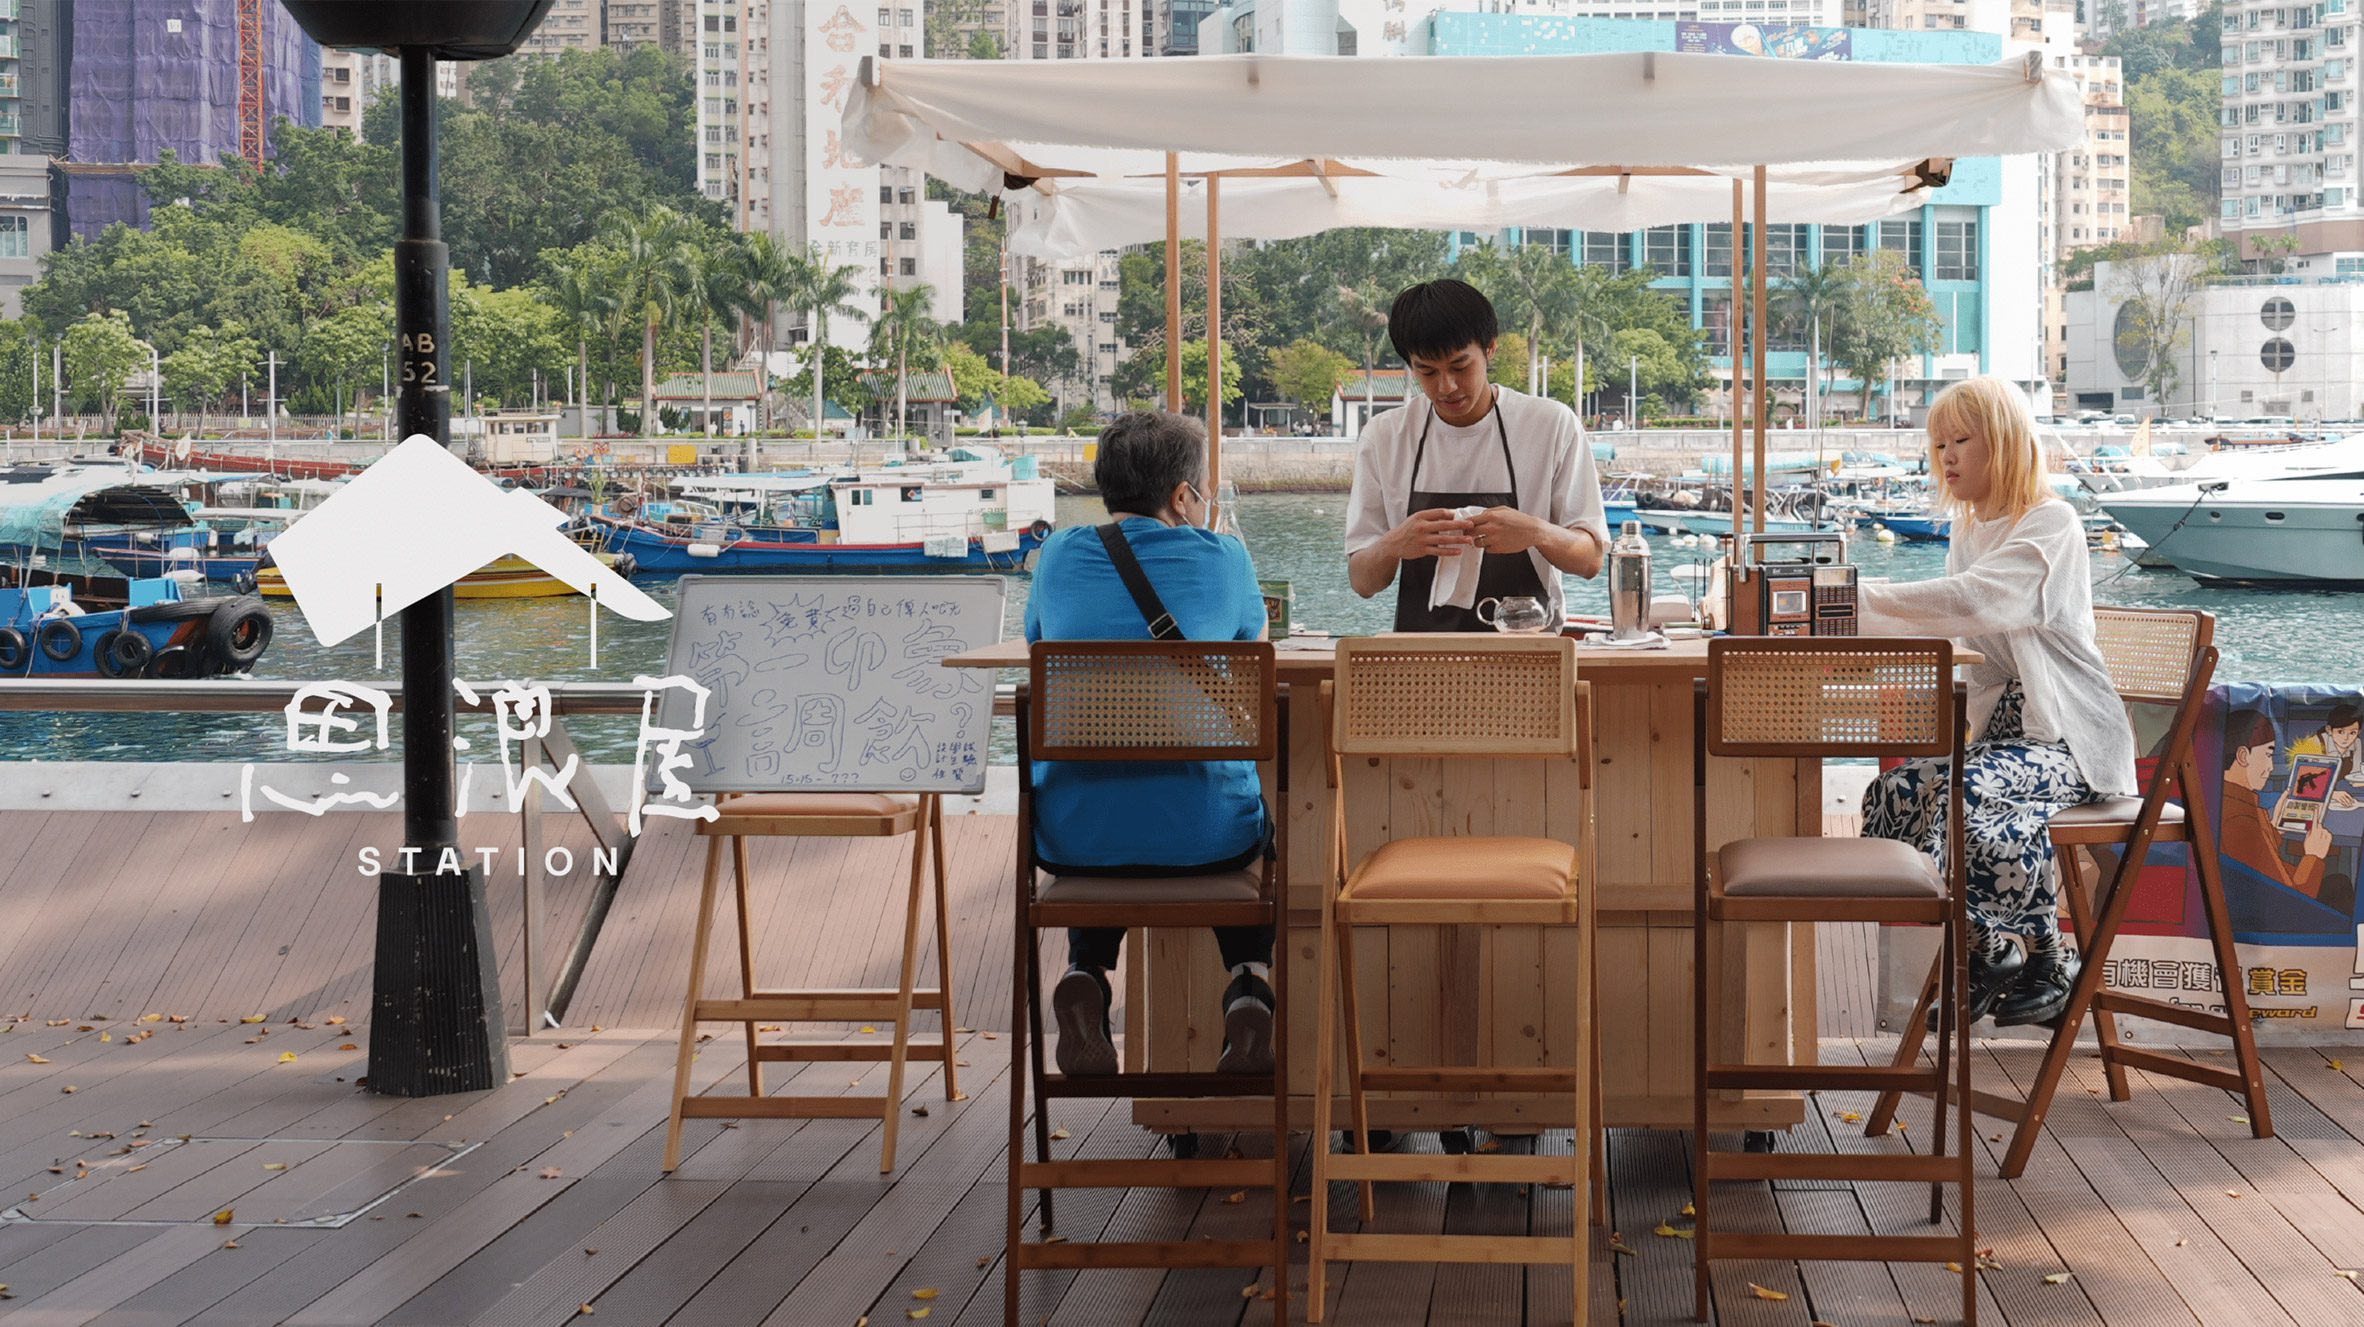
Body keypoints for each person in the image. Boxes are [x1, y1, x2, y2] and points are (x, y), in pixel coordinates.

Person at [1857, 375, 2138, 1029]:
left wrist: (1854, 595)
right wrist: (1836, 614)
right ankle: (1993, 948)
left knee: (1965, 792)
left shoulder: (2053, 523)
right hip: (2003, 739)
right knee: (1896, 793)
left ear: (2005, 443)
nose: (1947, 456)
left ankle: (2041, 953)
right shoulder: (1969, 533)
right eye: (1938, 444)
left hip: (2065, 741)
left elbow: (1980, 600)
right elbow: (1950, 624)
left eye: (1962, 439)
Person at [1024, 410, 1275, 1077]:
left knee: (1108, 811)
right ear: (1182, 496)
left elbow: (1038, 635)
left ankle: (1087, 972)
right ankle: (1250, 982)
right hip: (1208, 840)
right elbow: (1250, 638)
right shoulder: (1225, 556)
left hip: (1074, 841)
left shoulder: (1056, 556)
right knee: (1241, 817)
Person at [1344, 278, 1607, 631]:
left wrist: (1535, 532)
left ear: (1490, 349)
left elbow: (1590, 559)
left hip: (1529, 655)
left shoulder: (1551, 425)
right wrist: (1395, 544)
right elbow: (1363, 582)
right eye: (1427, 371)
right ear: (1411, 365)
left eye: (1459, 366)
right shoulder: (1384, 436)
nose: (1446, 386)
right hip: (1418, 662)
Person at [2220, 709, 2335, 897]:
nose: (2271, 767)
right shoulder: (2240, 820)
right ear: (2243, 756)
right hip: (2286, 911)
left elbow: (2256, 860)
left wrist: (2274, 828)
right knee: (2340, 885)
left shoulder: (2227, 804)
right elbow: (2289, 901)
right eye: (2267, 755)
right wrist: (2314, 856)